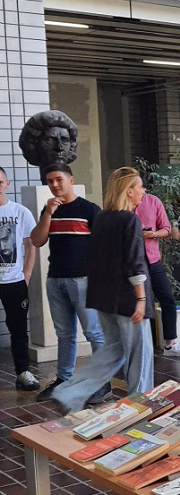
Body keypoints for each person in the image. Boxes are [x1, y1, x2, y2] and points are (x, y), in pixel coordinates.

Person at [53, 167, 155, 413]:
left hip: (103, 298)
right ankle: (140, 407)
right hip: (128, 299)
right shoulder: (130, 219)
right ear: (129, 191)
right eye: (140, 187)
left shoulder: (102, 218)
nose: (143, 191)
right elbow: (135, 261)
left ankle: (70, 391)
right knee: (139, 356)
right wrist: (141, 298)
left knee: (112, 351)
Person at [29, 163, 108, 402]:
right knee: (65, 334)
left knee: (94, 333)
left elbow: (104, 246)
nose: (54, 185)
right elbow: (37, 240)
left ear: (71, 180)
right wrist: (48, 213)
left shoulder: (89, 209)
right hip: (55, 279)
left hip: (83, 279)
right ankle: (64, 379)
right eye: (50, 181)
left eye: (58, 180)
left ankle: (102, 383)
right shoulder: (49, 210)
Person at [134, 185, 180, 358]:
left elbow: (166, 229)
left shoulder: (153, 201)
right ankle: (146, 345)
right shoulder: (122, 204)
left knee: (167, 298)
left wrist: (153, 234)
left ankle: (171, 343)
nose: (140, 191)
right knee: (143, 303)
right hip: (134, 260)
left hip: (153, 258)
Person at [0, 168, 39, 390]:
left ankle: (23, 372)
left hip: (14, 281)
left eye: (0, 181)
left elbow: (30, 244)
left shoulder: (20, 212)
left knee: (18, 329)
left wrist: (27, 274)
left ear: (8, 183)